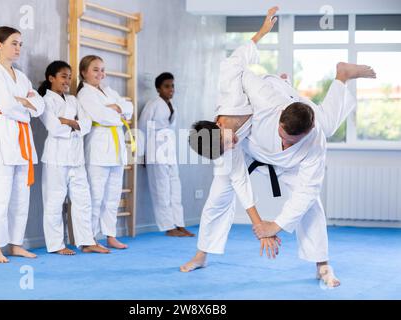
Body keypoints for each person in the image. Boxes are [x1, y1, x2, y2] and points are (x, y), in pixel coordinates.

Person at [182, 7, 376, 288]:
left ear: (218, 126)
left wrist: (277, 225)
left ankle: (322, 263)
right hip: (260, 142)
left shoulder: (262, 98)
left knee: (324, 137)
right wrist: (262, 228)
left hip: (283, 100)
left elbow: (236, 63)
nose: (229, 147)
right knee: (218, 194)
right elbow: (239, 180)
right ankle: (202, 254)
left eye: (225, 143)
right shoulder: (228, 145)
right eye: (223, 150)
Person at [0, 26, 45, 263]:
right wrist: (26, 105)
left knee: (21, 195)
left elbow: (40, 106)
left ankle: (16, 244)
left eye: (20, 44)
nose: (18, 48)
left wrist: (27, 103)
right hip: (2, 135)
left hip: (23, 139)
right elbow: (7, 106)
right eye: (13, 43)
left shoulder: (23, 76)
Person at [38, 60, 111, 255]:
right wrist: (72, 123)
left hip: (76, 159)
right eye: (63, 76)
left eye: (70, 77)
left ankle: (86, 241)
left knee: (83, 201)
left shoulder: (72, 100)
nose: (67, 81)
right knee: (54, 202)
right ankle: (56, 245)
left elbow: (86, 123)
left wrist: (68, 122)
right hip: (55, 159)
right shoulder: (45, 100)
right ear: (51, 78)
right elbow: (53, 127)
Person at [77, 55, 135, 251]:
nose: (100, 73)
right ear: (84, 72)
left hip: (117, 149)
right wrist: (119, 113)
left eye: (102, 69)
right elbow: (102, 116)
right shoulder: (85, 94)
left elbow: (130, 107)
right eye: (95, 69)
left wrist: (119, 108)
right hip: (99, 149)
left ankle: (110, 235)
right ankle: (89, 239)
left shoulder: (109, 91)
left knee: (112, 196)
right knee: (95, 196)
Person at [139, 72, 194, 237]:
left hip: (169, 151)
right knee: (161, 190)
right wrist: (141, 155)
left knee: (175, 188)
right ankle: (168, 226)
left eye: (172, 86)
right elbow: (142, 128)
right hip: (155, 152)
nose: (171, 89)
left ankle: (179, 223)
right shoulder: (153, 104)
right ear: (158, 88)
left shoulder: (173, 106)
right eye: (166, 86)